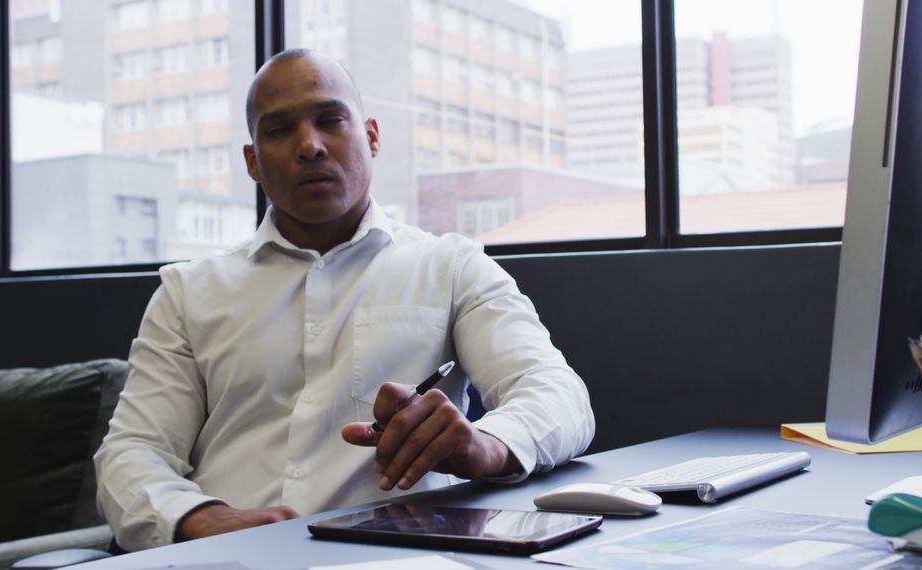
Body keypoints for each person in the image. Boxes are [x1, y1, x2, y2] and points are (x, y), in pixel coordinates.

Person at [94, 48, 595, 552]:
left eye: (331, 120)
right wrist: (198, 520)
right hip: (225, 560)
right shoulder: (188, 291)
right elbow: (133, 451)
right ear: (252, 161)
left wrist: (484, 447)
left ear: (371, 136)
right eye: (278, 130)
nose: (309, 145)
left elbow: (558, 394)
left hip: (398, 559)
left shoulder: (450, 267)